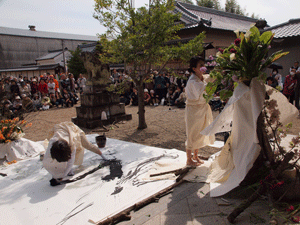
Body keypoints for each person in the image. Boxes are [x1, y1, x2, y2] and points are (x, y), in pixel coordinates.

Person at [185, 56, 215, 166]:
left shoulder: (201, 77)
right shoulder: (193, 81)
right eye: (200, 65)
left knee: (200, 132)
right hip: (194, 109)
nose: (203, 67)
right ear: (194, 68)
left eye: (204, 64)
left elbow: (210, 78)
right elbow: (203, 91)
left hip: (202, 107)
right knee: (192, 133)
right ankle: (189, 159)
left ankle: (195, 156)